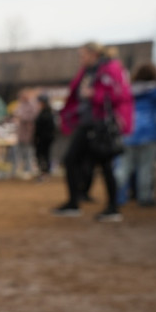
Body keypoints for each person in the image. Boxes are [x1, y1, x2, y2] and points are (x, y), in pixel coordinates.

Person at [54, 42, 133, 222]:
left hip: (102, 124)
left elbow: (120, 95)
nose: (80, 59)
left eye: (83, 55)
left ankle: (113, 207)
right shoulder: (86, 72)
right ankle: (73, 203)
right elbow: (74, 96)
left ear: (94, 54)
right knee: (71, 160)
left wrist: (94, 94)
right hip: (86, 123)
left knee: (106, 165)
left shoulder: (111, 69)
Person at [114, 63, 156, 207]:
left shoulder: (127, 90)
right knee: (146, 167)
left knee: (124, 167)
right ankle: (144, 198)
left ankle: (116, 196)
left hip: (128, 132)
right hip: (150, 133)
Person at [11, 88, 38, 178]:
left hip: (28, 133)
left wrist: (21, 117)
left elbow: (33, 117)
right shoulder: (20, 104)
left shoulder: (32, 105)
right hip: (20, 133)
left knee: (28, 152)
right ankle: (19, 170)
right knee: (19, 152)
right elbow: (16, 114)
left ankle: (28, 169)